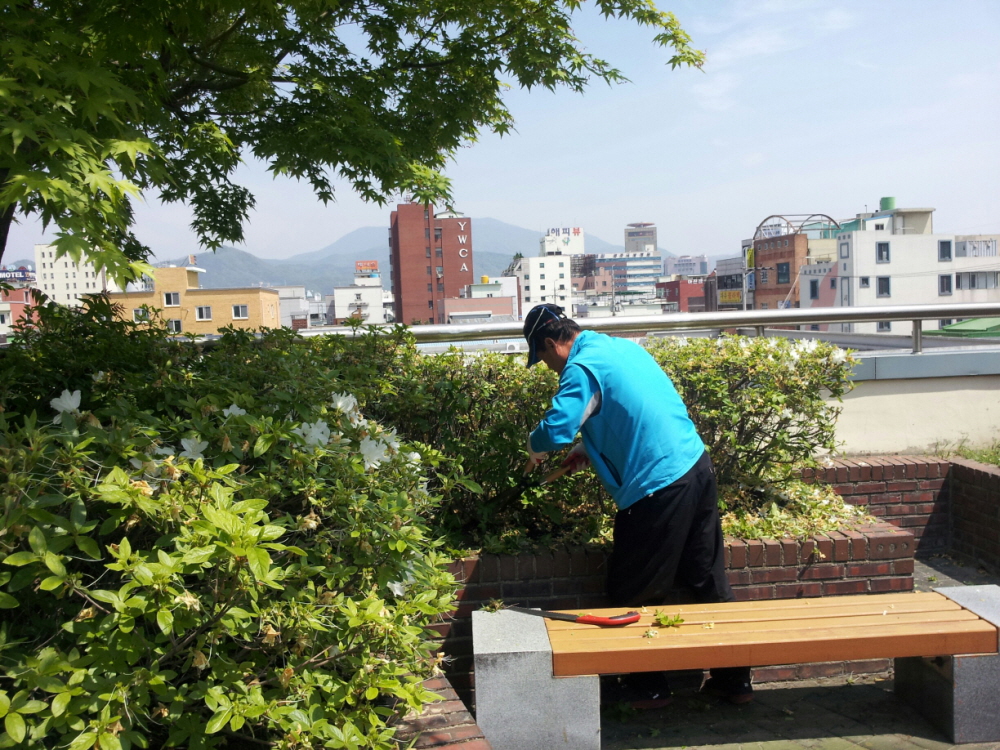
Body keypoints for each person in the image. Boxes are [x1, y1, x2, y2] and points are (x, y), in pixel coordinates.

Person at [522, 302, 753, 708]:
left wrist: (533, 446)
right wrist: (591, 448)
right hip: (695, 467)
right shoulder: (619, 347)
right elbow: (633, 410)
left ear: (550, 344)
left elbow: (557, 429)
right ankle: (734, 681)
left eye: (542, 359)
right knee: (705, 578)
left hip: (658, 486)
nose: (549, 368)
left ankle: (648, 688)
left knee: (635, 589)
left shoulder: (580, 367)